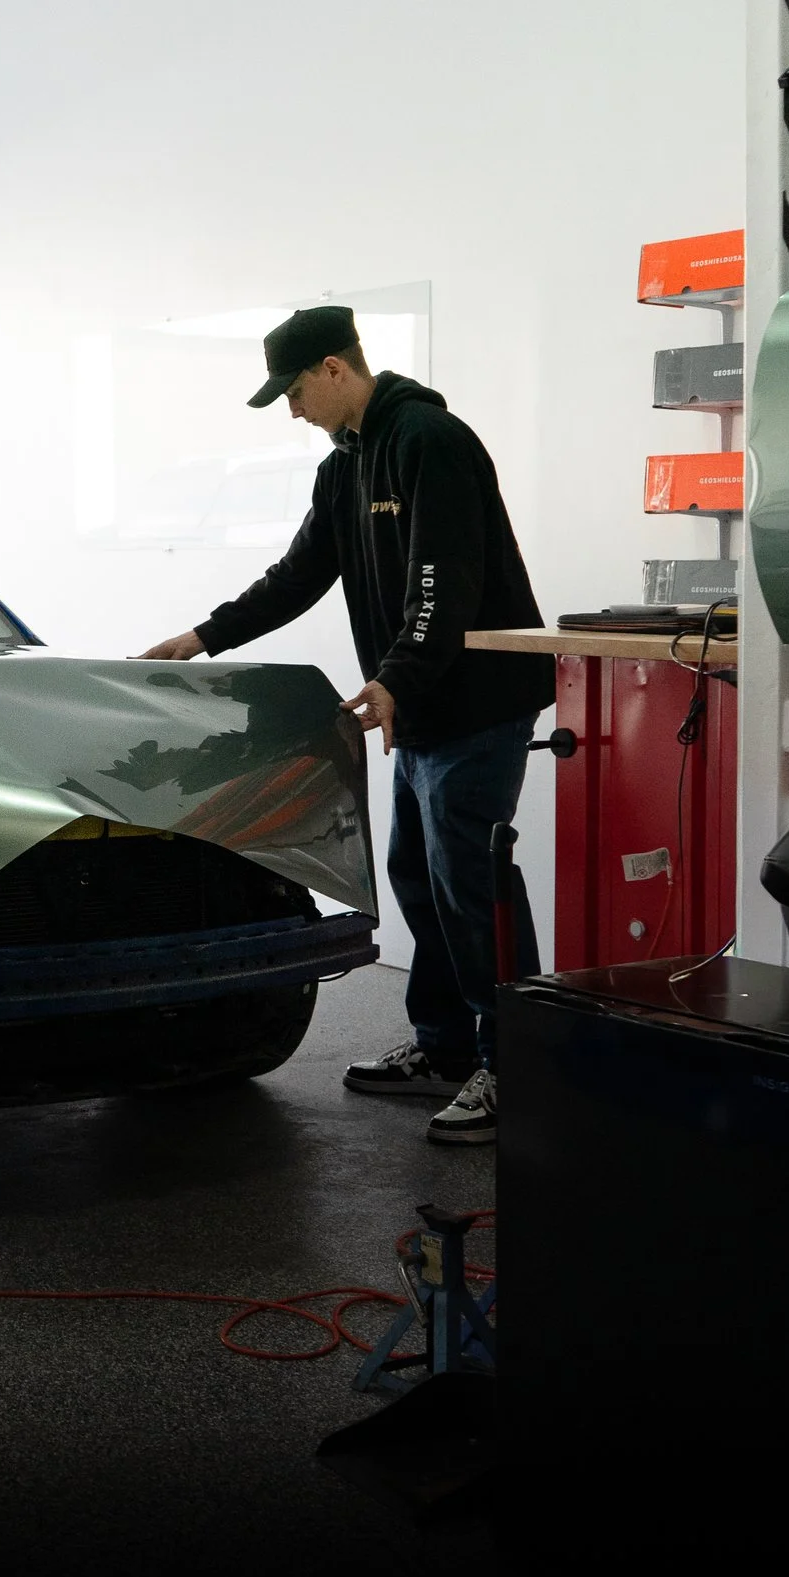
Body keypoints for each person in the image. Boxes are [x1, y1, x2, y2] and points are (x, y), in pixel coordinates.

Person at [140, 306, 549, 1145]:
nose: (292, 411)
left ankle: (521, 1066)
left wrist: (394, 680)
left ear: (333, 368)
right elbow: (297, 575)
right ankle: (442, 1047)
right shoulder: (346, 467)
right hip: (423, 704)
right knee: (416, 875)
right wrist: (205, 634)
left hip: (477, 702)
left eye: (294, 391)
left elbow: (444, 586)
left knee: (470, 879)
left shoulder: (429, 440)